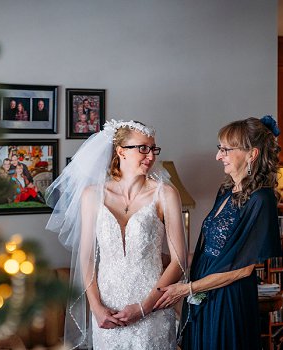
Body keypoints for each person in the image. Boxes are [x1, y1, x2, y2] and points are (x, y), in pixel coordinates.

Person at [45, 119, 188, 349]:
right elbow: (87, 257)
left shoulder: (166, 194)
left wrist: (144, 307)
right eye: (142, 148)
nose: (150, 156)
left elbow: (179, 261)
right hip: (108, 309)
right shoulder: (92, 195)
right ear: (121, 151)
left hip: (152, 307)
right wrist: (97, 308)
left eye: (153, 149)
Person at [156, 116, 283, 350]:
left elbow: (243, 268)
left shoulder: (261, 200)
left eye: (225, 149)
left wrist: (188, 289)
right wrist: (172, 260)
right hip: (206, 290)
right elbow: (214, 252)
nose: (218, 156)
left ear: (251, 154)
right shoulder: (226, 191)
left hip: (228, 298)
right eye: (219, 148)